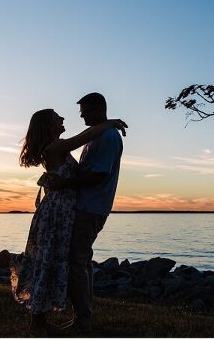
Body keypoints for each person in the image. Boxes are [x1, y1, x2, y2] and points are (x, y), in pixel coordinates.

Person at [10, 108, 127, 333]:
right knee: (46, 261)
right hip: (57, 212)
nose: (63, 118)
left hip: (61, 210)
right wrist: (109, 122)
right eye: (57, 118)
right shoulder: (55, 147)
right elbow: (84, 137)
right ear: (48, 125)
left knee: (50, 260)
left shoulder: (57, 146)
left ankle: (40, 321)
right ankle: (38, 321)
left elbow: (83, 138)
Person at [45, 92, 124, 334]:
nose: (82, 117)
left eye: (86, 112)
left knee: (77, 262)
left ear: (100, 109)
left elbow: (97, 175)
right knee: (80, 261)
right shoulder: (96, 135)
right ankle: (82, 317)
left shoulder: (107, 136)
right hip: (83, 206)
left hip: (90, 207)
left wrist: (63, 183)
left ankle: (82, 321)